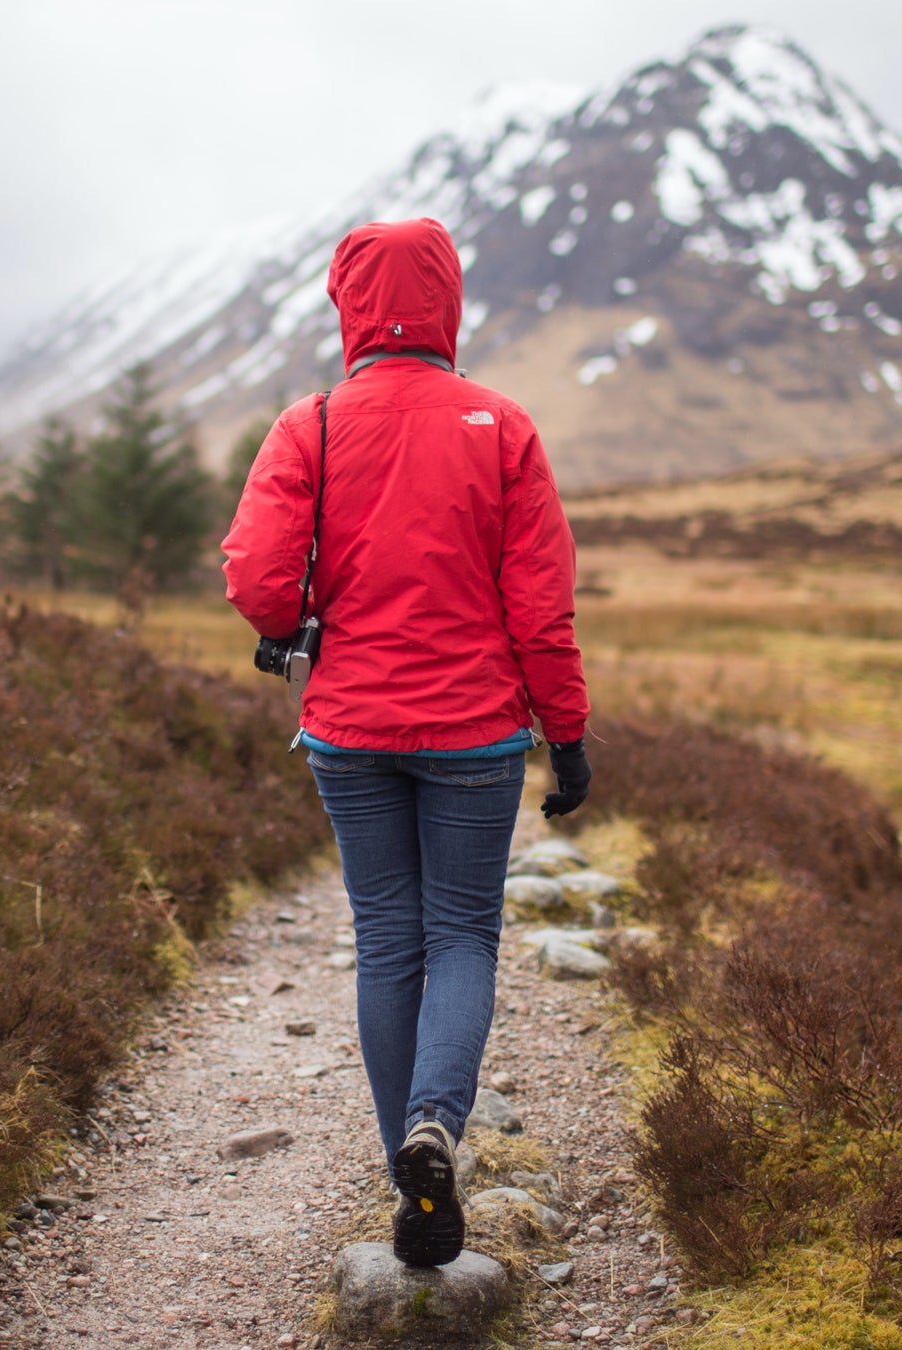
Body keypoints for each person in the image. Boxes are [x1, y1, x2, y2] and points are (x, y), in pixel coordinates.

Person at [221, 217, 591, 1268]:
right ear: (447, 303)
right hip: (476, 733)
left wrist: (288, 625)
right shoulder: (502, 425)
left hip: (346, 726)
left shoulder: (314, 424)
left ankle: (410, 1179)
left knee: (388, 941)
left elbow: (255, 575)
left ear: (347, 304)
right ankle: (439, 1127)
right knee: (463, 937)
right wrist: (567, 739)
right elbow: (542, 617)